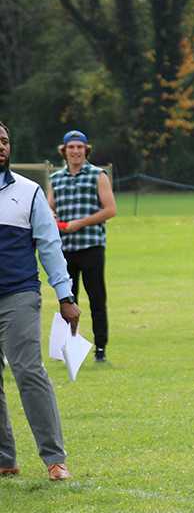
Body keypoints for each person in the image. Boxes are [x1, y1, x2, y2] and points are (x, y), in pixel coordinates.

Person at [0, 121, 79, 481]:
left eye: (4, 141)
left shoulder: (29, 192)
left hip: (18, 294)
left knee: (28, 371)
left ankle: (54, 459)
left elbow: (50, 246)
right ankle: (5, 459)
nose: (1, 146)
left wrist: (65, 295)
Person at [46, 130, 116, 362]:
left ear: (86, 150)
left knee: (97, 298)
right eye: (71, 147)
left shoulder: (98, 175)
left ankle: (100, 348)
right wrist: (53, 218)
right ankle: (68, 346)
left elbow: (110, 209)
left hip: (91, 245)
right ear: (64, 151)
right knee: (68, 298)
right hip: (65, 248)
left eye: (79, 147)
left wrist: (81, 223)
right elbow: (49, 210)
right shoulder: (56, 179)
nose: (75, 151)